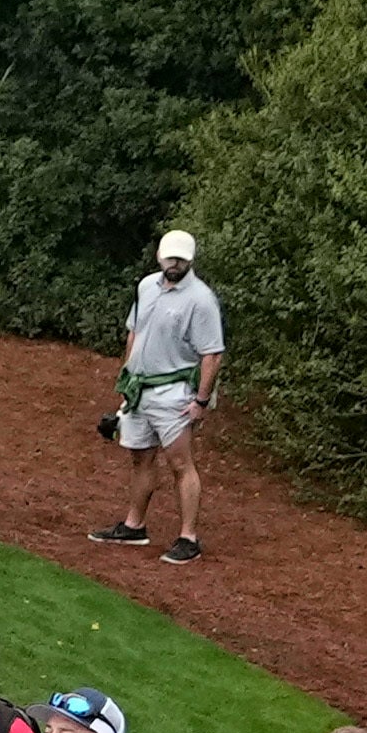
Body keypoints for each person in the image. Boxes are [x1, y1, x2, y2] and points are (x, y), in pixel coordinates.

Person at [95, 228, 225, 568]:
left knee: (180, 464)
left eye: (181, 258)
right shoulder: (146, 286)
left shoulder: (201, 299)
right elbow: (134, 332)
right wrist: (126, 375)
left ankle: (188, 538)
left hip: (174, 392)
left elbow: (212, 354)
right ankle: (134, 525)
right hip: (140, 390)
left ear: (191, 260)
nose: (175, 263)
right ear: (160, 256)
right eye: (170, 257)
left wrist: (200, 401)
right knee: (140, 458)